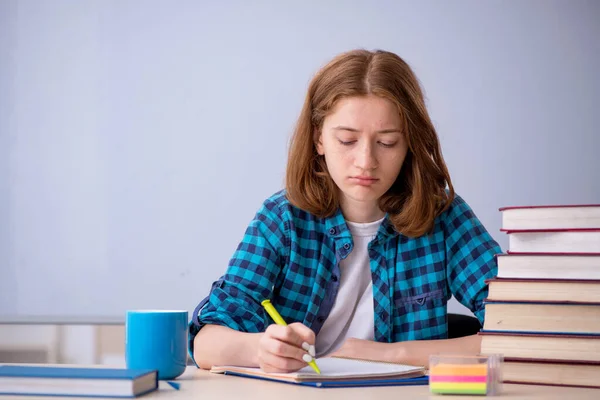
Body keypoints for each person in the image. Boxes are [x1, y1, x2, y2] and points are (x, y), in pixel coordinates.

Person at [189, 49, 501, 373]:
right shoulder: (282, 220)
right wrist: (260, 350)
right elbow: (205, 344)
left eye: (388, 142)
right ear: (318, 139)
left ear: (410, 143)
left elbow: (524, 330)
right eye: (347, 140)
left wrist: (387, 354)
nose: (366, 161)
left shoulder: (444, 217)